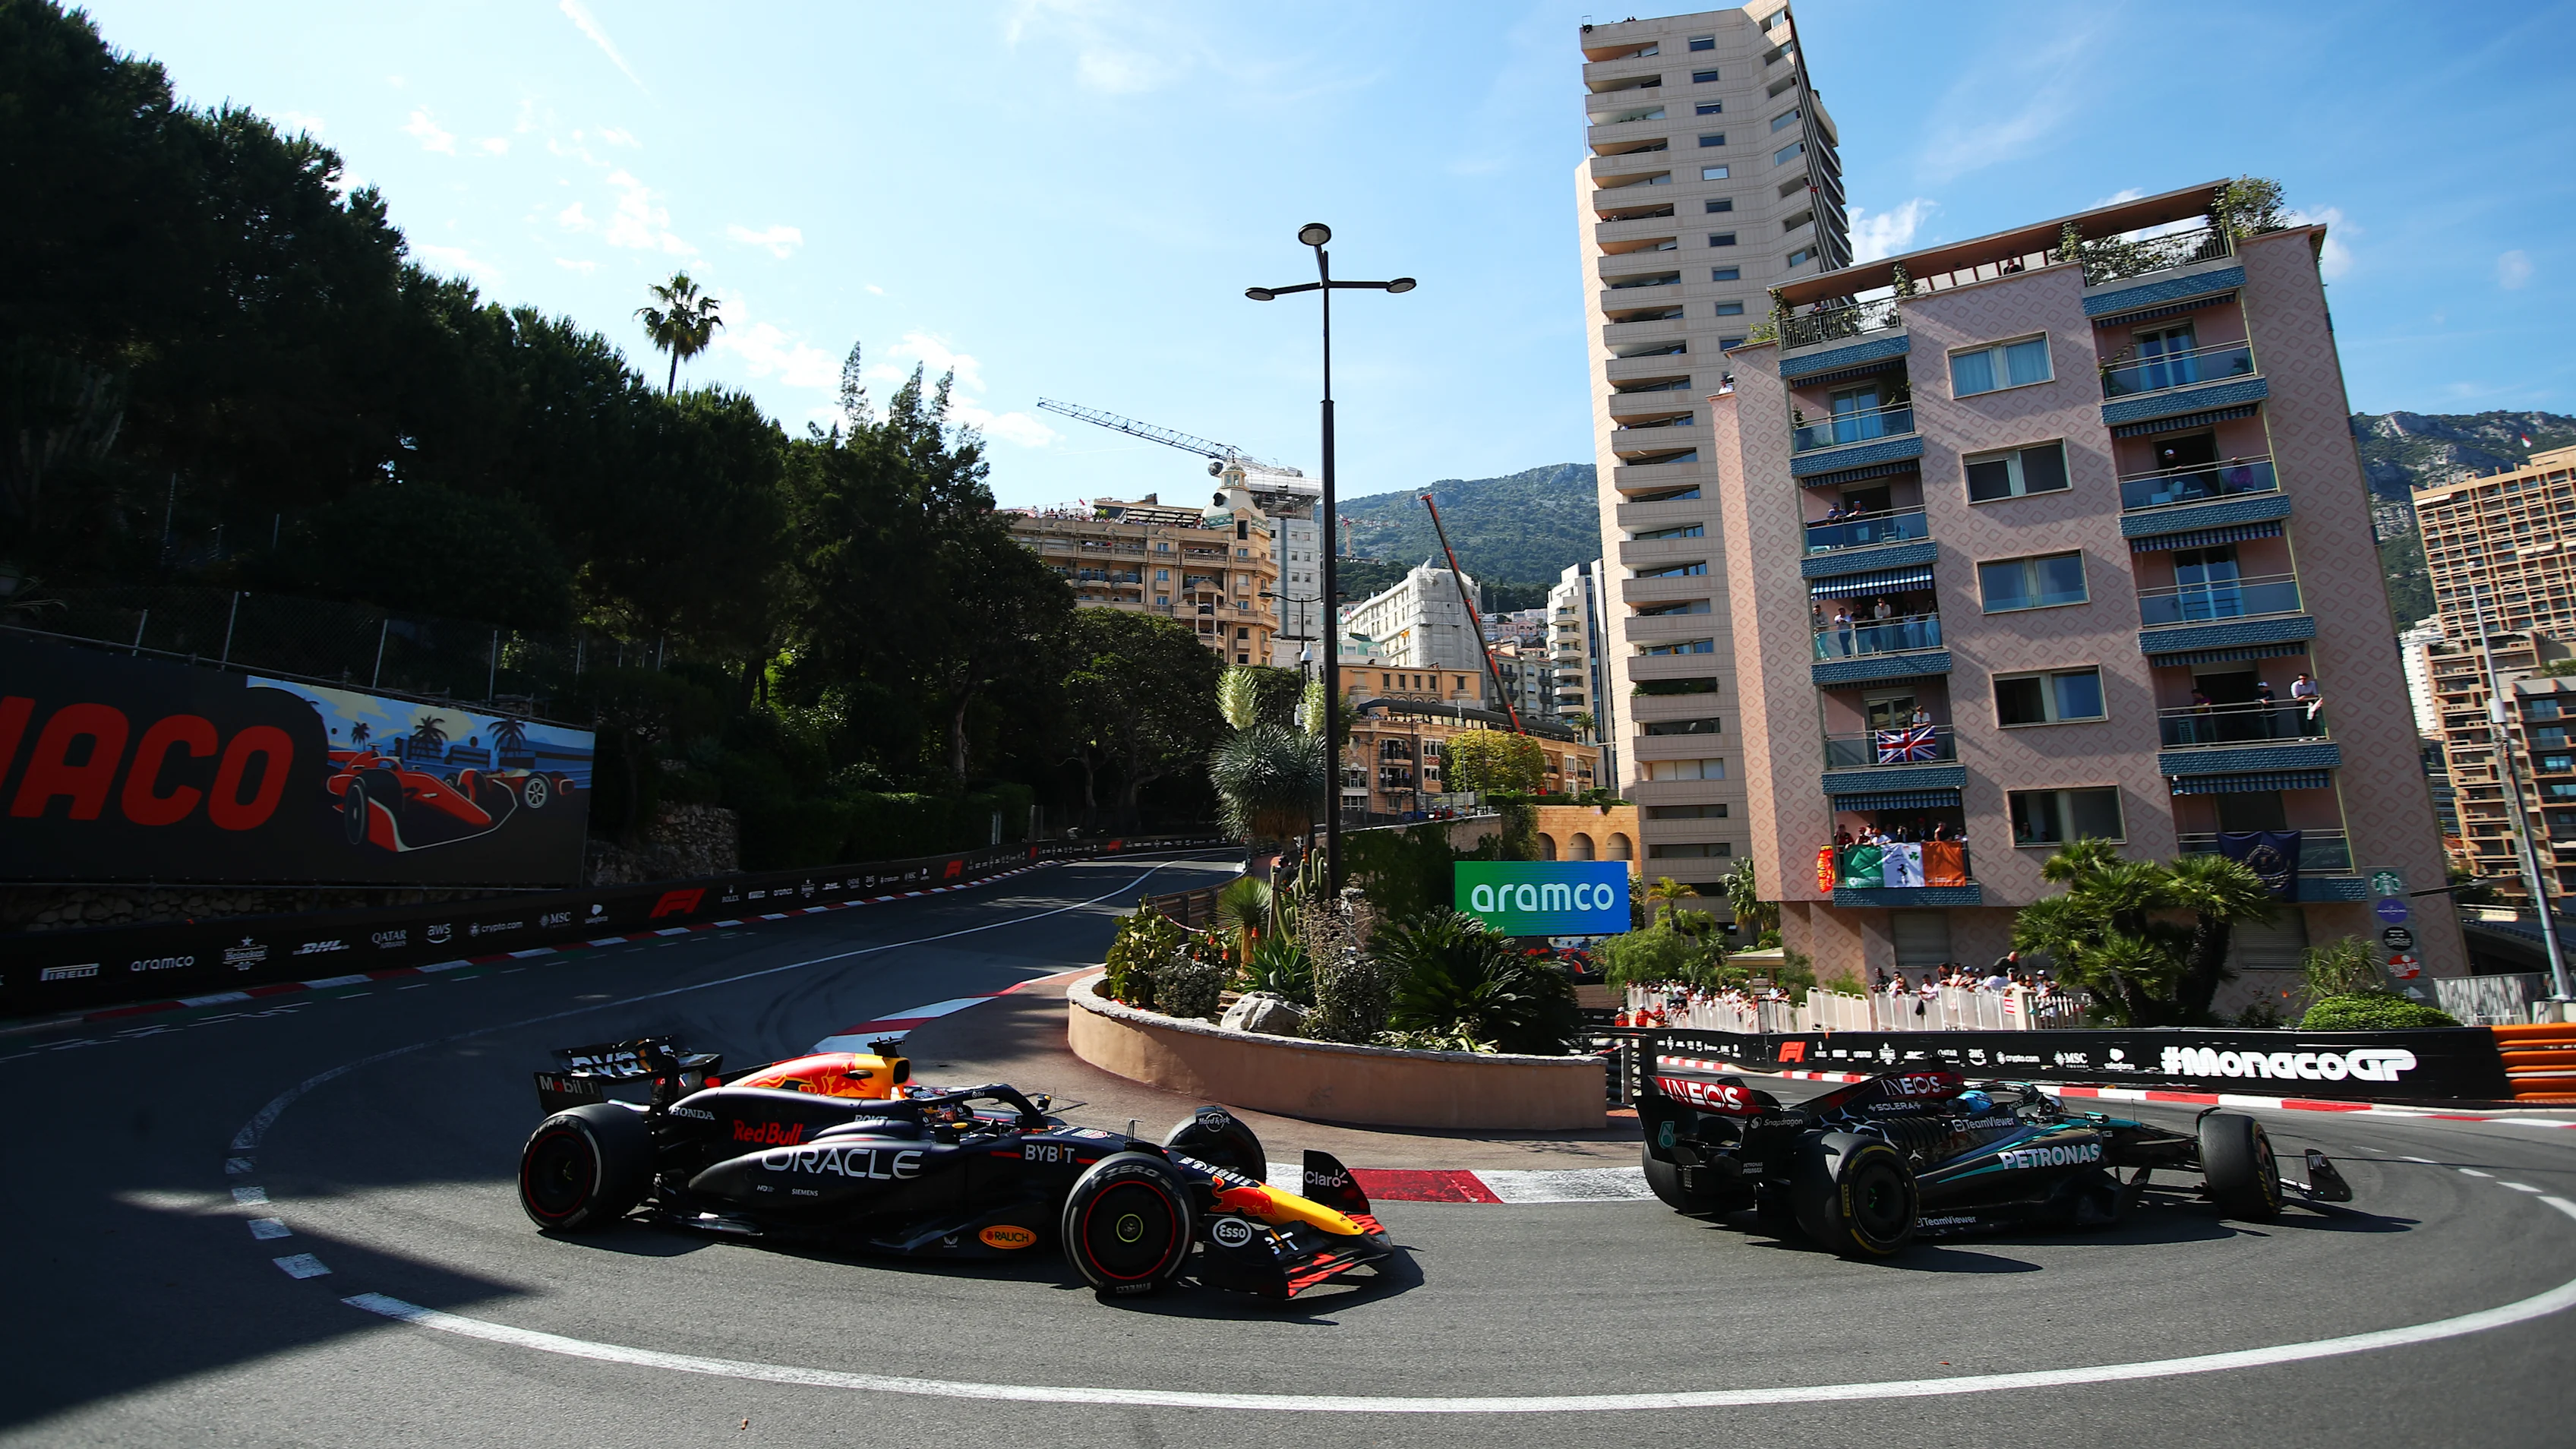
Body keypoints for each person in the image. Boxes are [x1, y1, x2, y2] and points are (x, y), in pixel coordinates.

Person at [2290, 671, 2322, 735]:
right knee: (2302, 720)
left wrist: (2305, 697)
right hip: (2300, 704)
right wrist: (2307, 697)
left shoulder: (2312, 684)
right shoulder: (2295, 685)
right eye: (2300, 679)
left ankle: (2312, 734)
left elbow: (2316, 695)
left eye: (2304, 679)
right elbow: (2297, 697)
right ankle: (2304, 735)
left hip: (2311, 702)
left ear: (2308, 679)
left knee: (2312, 719)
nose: (2302, 681)